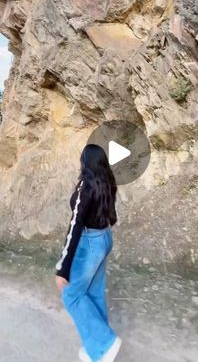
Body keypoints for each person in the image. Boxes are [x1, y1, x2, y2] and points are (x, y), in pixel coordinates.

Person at [55, 144, 122, 362]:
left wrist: (63, 268)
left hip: (90, 242)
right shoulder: (107, 182)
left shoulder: (86, 186)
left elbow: (75, 226)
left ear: (86, 162)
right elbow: (112, 216)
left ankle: (104, 343)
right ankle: (98, 351)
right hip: (105, 238)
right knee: (93, 293)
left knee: (71, 294)